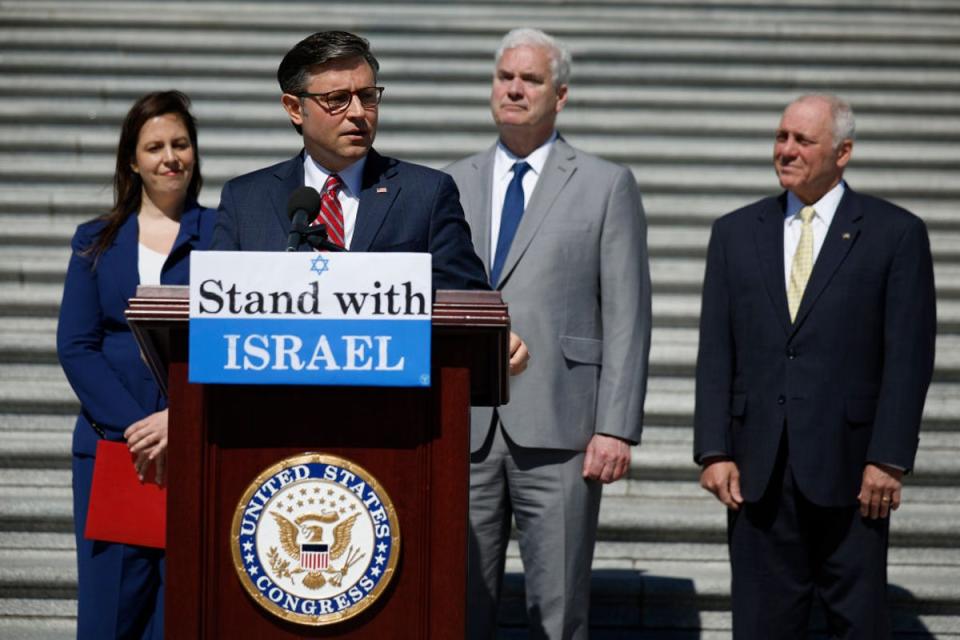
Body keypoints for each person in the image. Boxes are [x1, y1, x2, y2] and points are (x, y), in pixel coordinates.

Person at [694, 94, 936, 638]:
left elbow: (909, 356)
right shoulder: (734, 233)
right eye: (782, 137)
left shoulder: (896, 233)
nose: (786, 150)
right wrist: (713, 450)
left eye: (803, 140)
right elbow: (716, 351)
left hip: (852, 472)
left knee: (857, 624)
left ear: (843, 151)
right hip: (757, 472)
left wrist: (889, 458)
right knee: (761, 625)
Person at [446, 28, 652, 639]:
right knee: (459, 605)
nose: (514, 88)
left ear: (559, 95)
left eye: (530, 79)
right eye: (505, 77)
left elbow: (627, 315)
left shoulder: (605, 184)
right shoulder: (450, 182)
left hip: (563, 429)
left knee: (559, 612)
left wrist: (615, 426)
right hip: (467, 425)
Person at [57, 91, 216, 639]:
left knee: (183, 613)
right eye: (155, 147)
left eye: (180, 143)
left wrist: (183, 418)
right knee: (110, 617)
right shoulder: (95, 242)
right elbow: (77, 345)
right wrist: (137, 427)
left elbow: (238, 340)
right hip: (114, 450)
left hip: (198, 448)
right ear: (132, 159)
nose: (170, 157)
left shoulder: (224, 237)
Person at [211, 30, 489, 293]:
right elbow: (217, 302)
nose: (358, 112)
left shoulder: (426, 194)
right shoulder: (245, 200)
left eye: (367, 96)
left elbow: (468, 302)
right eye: (338, 99)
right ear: (295, 109)